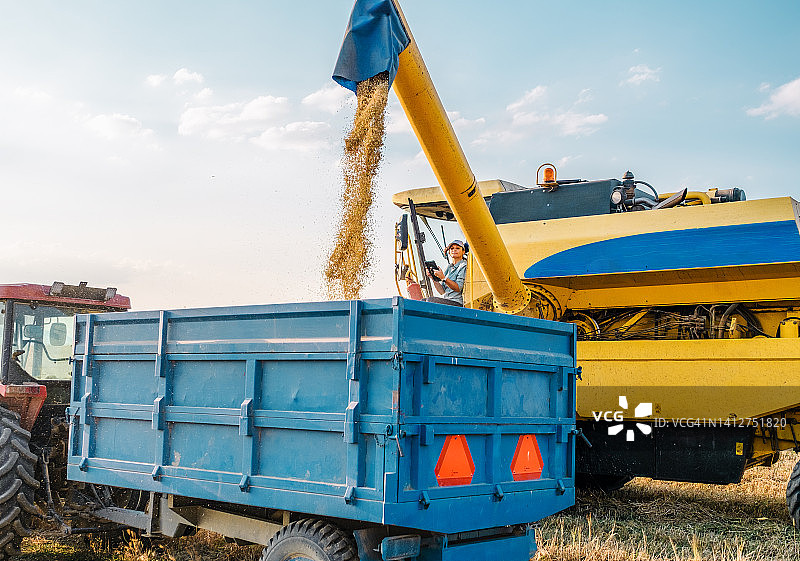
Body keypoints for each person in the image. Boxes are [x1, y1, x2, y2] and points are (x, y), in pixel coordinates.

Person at [426, 239, 467, 306]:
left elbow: (458, 288)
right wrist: (433, 278)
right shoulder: (449, 268)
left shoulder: (463, 266)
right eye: (452, 248)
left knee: (430, 300)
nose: (454, 250)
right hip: (447, 300)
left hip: (457, 302)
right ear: (449, 252)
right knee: (423, 301)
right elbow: (442, 291)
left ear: (463, 252)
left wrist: (443, 278)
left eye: (457, 248)